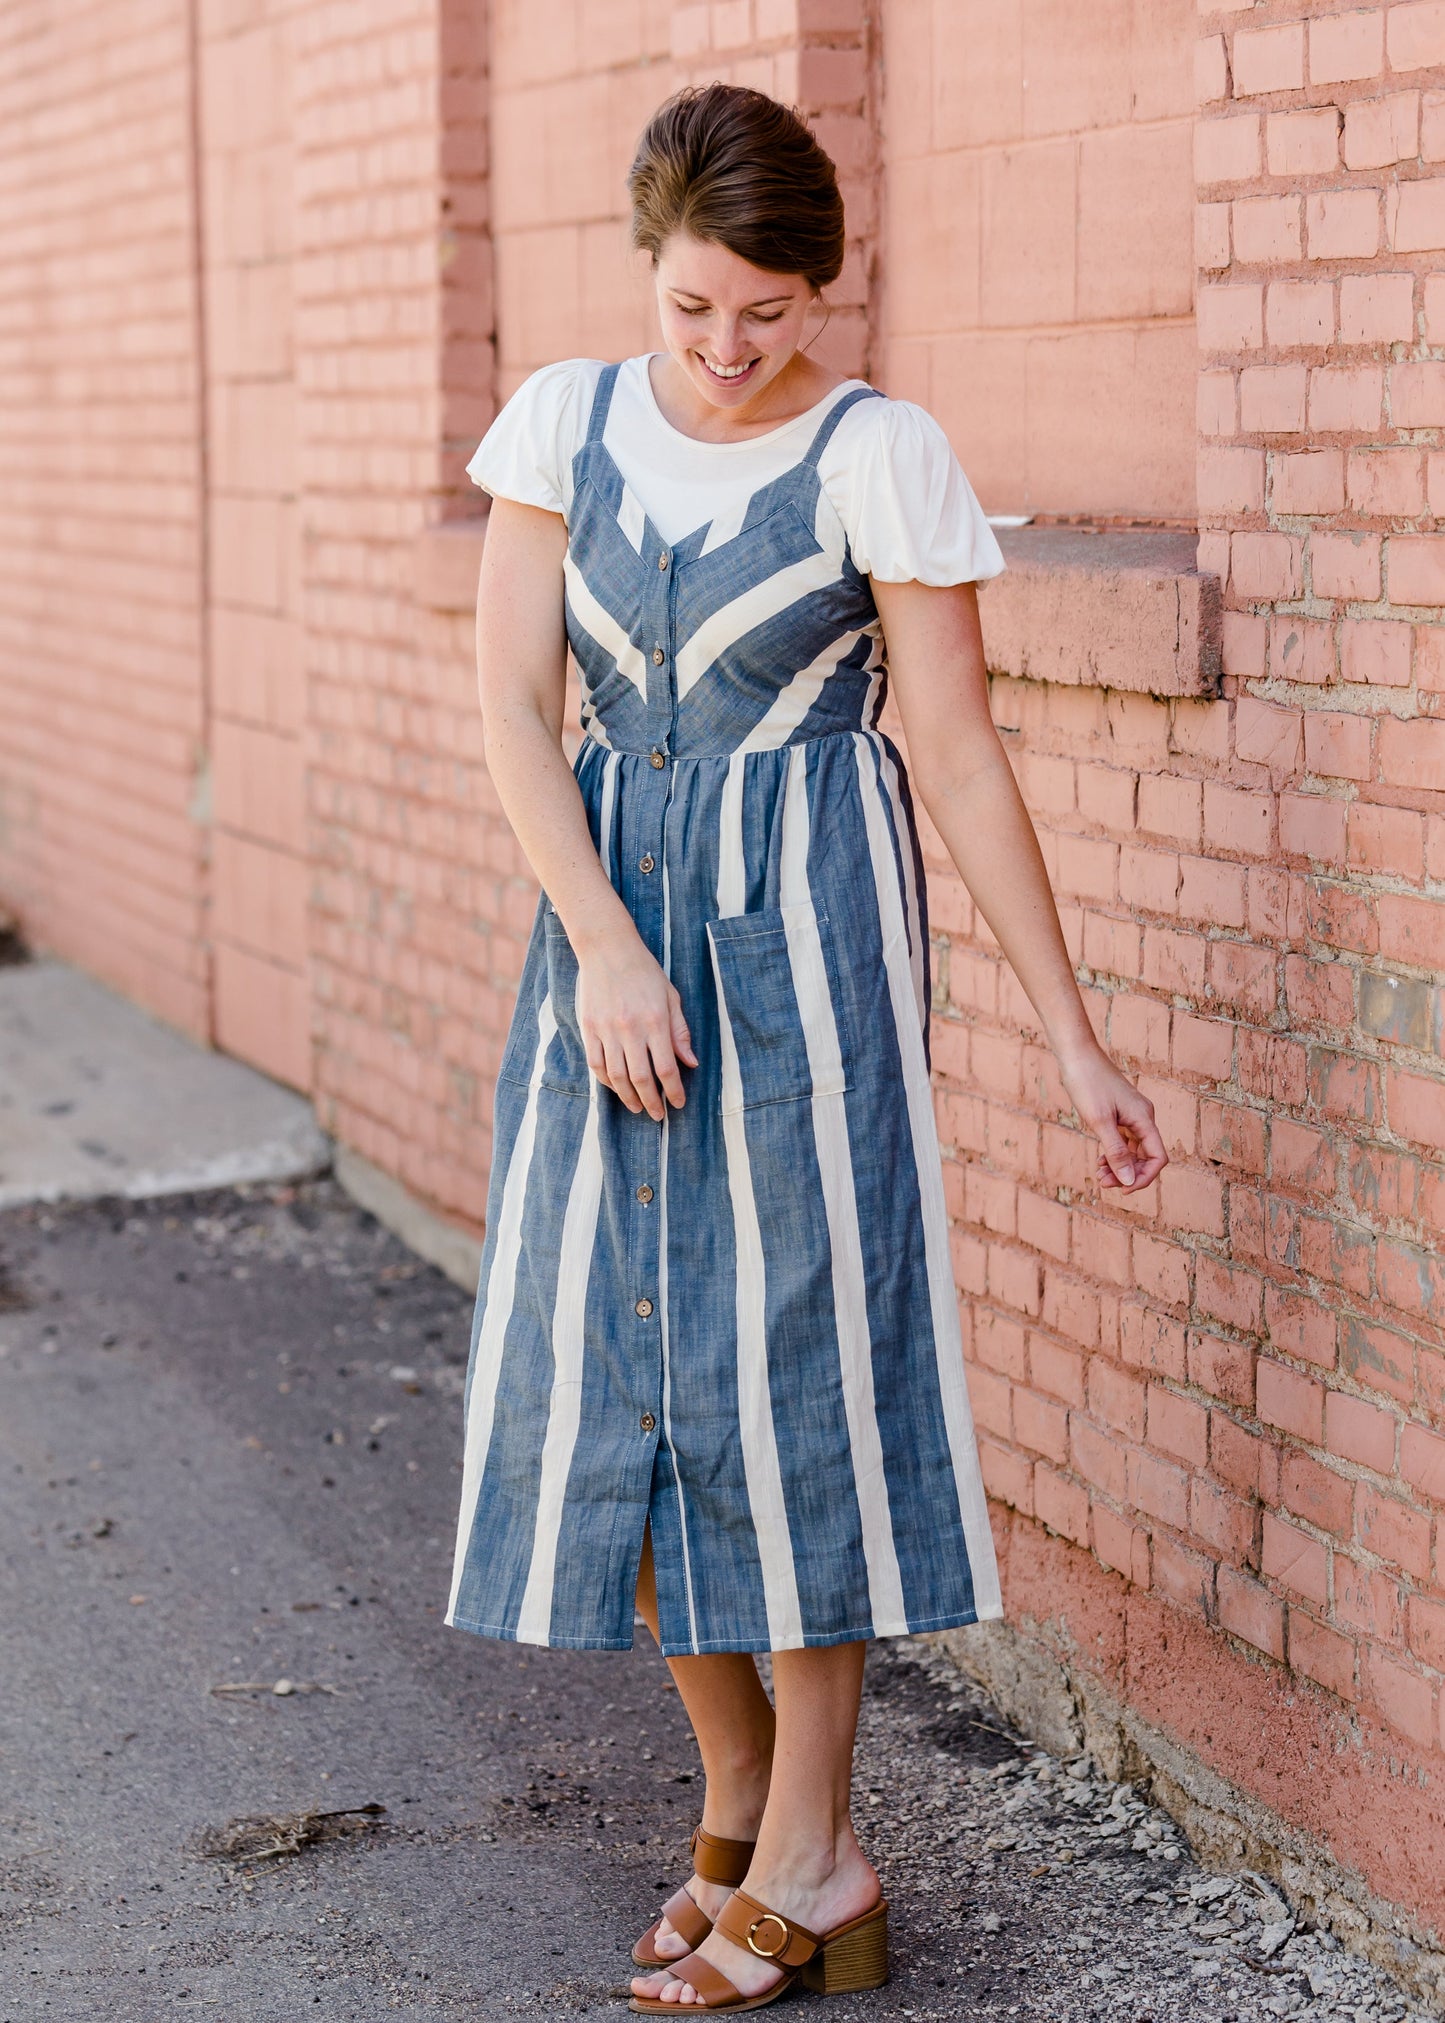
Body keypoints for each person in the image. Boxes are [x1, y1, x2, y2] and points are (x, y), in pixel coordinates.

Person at [444, 81, 1167, 2014]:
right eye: (693, 308)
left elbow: (957, 753)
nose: (726, 348)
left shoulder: (881, 454)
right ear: (647, 272)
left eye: (765, 311)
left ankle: (822, 1838)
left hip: (808, 964)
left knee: (797, 1383)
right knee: (632, 1370)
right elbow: (516, 710)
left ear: (818, 290)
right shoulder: (562, 427)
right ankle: (745, 1808)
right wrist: (601, 944)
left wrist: (1075, 1039)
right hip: (608, 956)